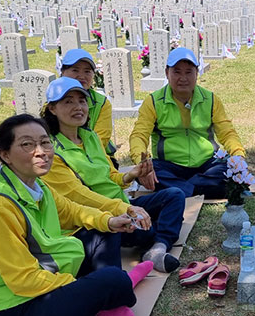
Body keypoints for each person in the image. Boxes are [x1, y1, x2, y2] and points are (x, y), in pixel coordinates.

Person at [0, 114, 155, 316]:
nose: (41, 151)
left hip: (46, 277)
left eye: (45, 142)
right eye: (27, 144)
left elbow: (73, 211)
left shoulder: (37, 184)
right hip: (15, 313)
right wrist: (77, 287)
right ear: (5, 155)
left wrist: (110, 221)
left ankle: (108, 296)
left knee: (104, 233)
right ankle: (113, 289)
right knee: (112, 278)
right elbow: (23, 280)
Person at [40, 77, 186, 274]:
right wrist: (124, 208)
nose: (78, 107)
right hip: (98, 216)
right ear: (52, 109)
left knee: (175, 195)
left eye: (82, 101)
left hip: (121, 203)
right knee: (145, 230)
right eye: (68, 102)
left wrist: (131, 175)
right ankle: (158, 237)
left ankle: (158, 247)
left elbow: (110, 175)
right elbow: (80, 197)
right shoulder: (52, 152)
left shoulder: (89, 136)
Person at [129, 47, 246, 199]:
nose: (183, 78)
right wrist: (143, 164)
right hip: (169, 166)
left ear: (197, 73)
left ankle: (178, 190)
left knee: (230, 166)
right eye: (177, 72)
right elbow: (139, 135)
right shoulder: (153, 101)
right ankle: (200, 189)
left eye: (188, 72)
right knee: (148, 171)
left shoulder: (210, 99)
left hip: (207, 165)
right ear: (167, 73)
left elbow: (227, 133)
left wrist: (238, 155)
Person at [59, 49, 118, 164]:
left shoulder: (101, 103)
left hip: (97, 157)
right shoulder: (54, 101)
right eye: (75, 70)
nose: (81, 76)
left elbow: (101, 140)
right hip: (61, 157)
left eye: (87, 71)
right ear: (62, 72)